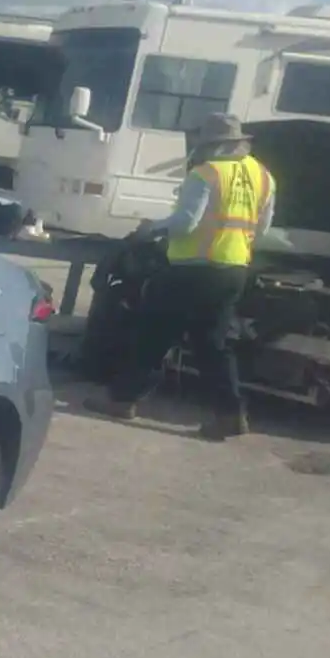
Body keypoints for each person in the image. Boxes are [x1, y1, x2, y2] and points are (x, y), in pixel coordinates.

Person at [84, 113, 276, 440]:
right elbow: (262, 228)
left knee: (153, 332)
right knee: (213, 345)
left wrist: (150, 229)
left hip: (190, 270)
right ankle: (230, 414)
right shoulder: (263, 176)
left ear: (211, 145)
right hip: (233, 271)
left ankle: (122, 399)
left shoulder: (206, 173)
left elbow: (185, 223)